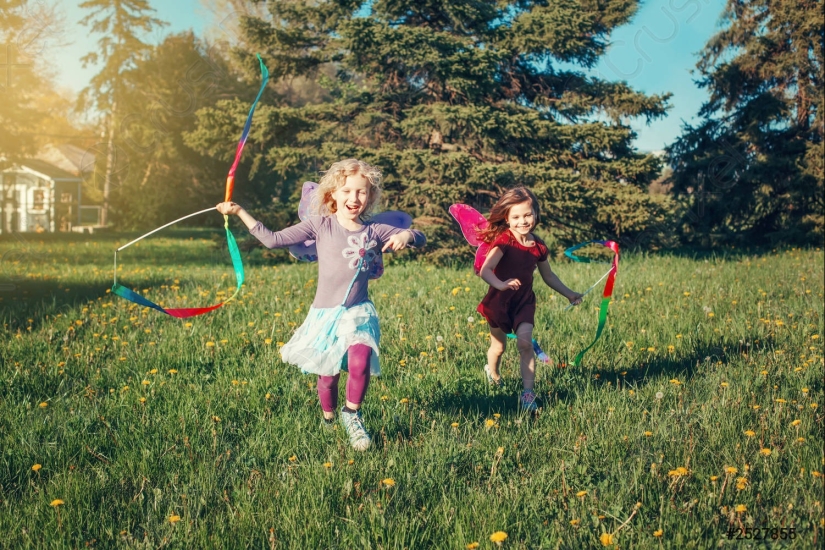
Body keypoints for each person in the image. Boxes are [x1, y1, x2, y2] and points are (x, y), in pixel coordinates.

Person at [217, 159, 425, 450]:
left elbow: (419, 237)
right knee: (328, 377)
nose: (354, 198)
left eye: (362, 192)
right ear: (333, 195)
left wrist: (405, 235)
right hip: (324, 315)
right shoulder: (321, 225)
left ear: (370, 196)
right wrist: (239, 211)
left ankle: (352, 414)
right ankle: (329, 419)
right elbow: (273, 240)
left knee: (360, 361)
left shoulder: (374, 230)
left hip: (358, 311)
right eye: (347, 191)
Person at [476, 187, 582, 411]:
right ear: (507, 218)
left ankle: (528, 394)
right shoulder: (504, 242)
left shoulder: (538, 246)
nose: (522, 221)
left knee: (525, 344)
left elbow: (548, 276)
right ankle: (493, 373)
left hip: (523, 302)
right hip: (499, 302)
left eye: (527, 215)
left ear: (535, 214)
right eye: (516, 217)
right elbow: (486, 270)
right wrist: (500, 284)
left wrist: (569, 293)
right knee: (498, 347)